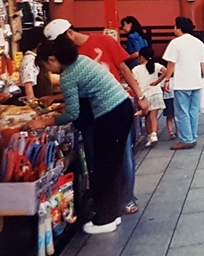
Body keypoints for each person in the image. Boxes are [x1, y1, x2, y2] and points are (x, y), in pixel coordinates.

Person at [43, 18, 148, 215]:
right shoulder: (71, 57)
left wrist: (140, 96)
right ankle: (103, 200)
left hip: (111, 109)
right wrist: (56, 98)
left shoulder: (103, 42)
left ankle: (126, 199)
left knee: (122, 156)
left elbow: (124, 69)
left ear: (69, 34)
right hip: (90, 114)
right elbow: (76, 90)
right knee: (96, 159)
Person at [29, 38, 133, 234]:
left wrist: (43, 122)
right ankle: (113, 213)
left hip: (110, 116)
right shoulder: (82, 60)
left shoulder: (68, 75)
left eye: (46, 66)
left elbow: (73, 114)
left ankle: (105, 220)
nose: (50, 71)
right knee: (113, 166)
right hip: (122, 108)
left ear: (52, 59)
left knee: (104, 168)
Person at [162, 17, 204, 150]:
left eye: (174, 26)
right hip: (196, 81)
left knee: (182, 111)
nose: (173, 29)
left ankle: (186, 139)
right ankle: (192, 136)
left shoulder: (175, 43)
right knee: (193, 111)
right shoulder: (198, 43)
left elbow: (171, 64)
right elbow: (203, 63)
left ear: (179, 28)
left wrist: (167, 80)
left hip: (182, 82)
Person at [132, 47, 166, 147]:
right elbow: (166, 71)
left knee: (147, 117)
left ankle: (150, 136)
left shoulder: (136, 69)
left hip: (144, 95)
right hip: (156, 93)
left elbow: (135, 83)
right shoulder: (155, 65)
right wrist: (157, 82)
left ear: (141, 57)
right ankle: (154, 134)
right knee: (153, 116)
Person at [19, 27, 53, 100]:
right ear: (39, 45)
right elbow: (28, 83)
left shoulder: (36, 58)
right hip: (38, 102)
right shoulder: (29, 60)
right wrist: (34, 103)